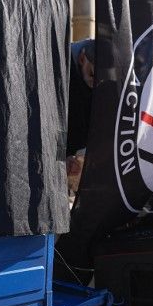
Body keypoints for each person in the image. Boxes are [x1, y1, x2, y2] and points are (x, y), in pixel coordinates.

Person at [65, 39, 96, 196]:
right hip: (62, 150)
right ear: (82, 59)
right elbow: (53, 120)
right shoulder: (63, 68)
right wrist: (62, 157)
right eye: (92, 73)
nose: (94, 82)